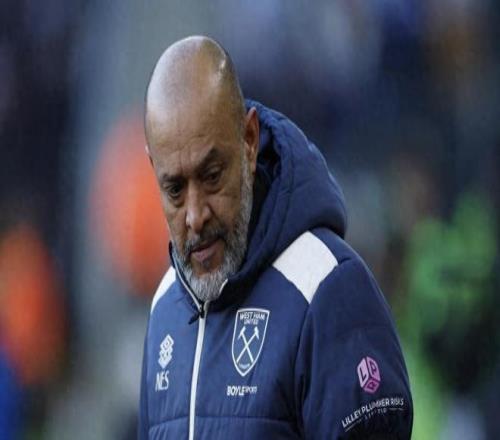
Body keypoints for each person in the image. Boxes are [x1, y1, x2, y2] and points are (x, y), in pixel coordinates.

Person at [139, 35, 413, 440]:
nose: (195, 216)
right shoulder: (165, 308)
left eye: (212, 176)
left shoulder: (327, 289)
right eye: (175, 190)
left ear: (249, 141)